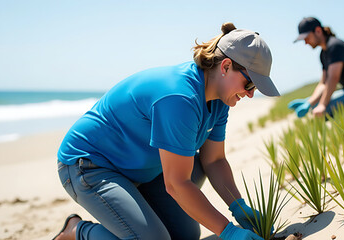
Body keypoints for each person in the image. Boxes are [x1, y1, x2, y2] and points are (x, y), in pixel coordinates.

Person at [52, 22, 279, 240]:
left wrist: (238, 206)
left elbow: (214, 160)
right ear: (226, 66)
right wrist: (228, 231)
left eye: (255, 88)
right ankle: (76, 232)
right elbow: (176, 183)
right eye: (249, 84)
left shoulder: (220, 100)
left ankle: (139, 211)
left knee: (186, 235)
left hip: (142, 170)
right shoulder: (179, 98)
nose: (250, 94)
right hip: (89, 165)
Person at [288, 17, 344, 118]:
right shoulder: (323, 54)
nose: (306, 42)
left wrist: (322, 105)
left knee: (325, 110)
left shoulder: (335, 46)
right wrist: (309, 102)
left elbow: (333, 78)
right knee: (315, 106)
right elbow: (323, 84)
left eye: (307, 37)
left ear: (318, 31)